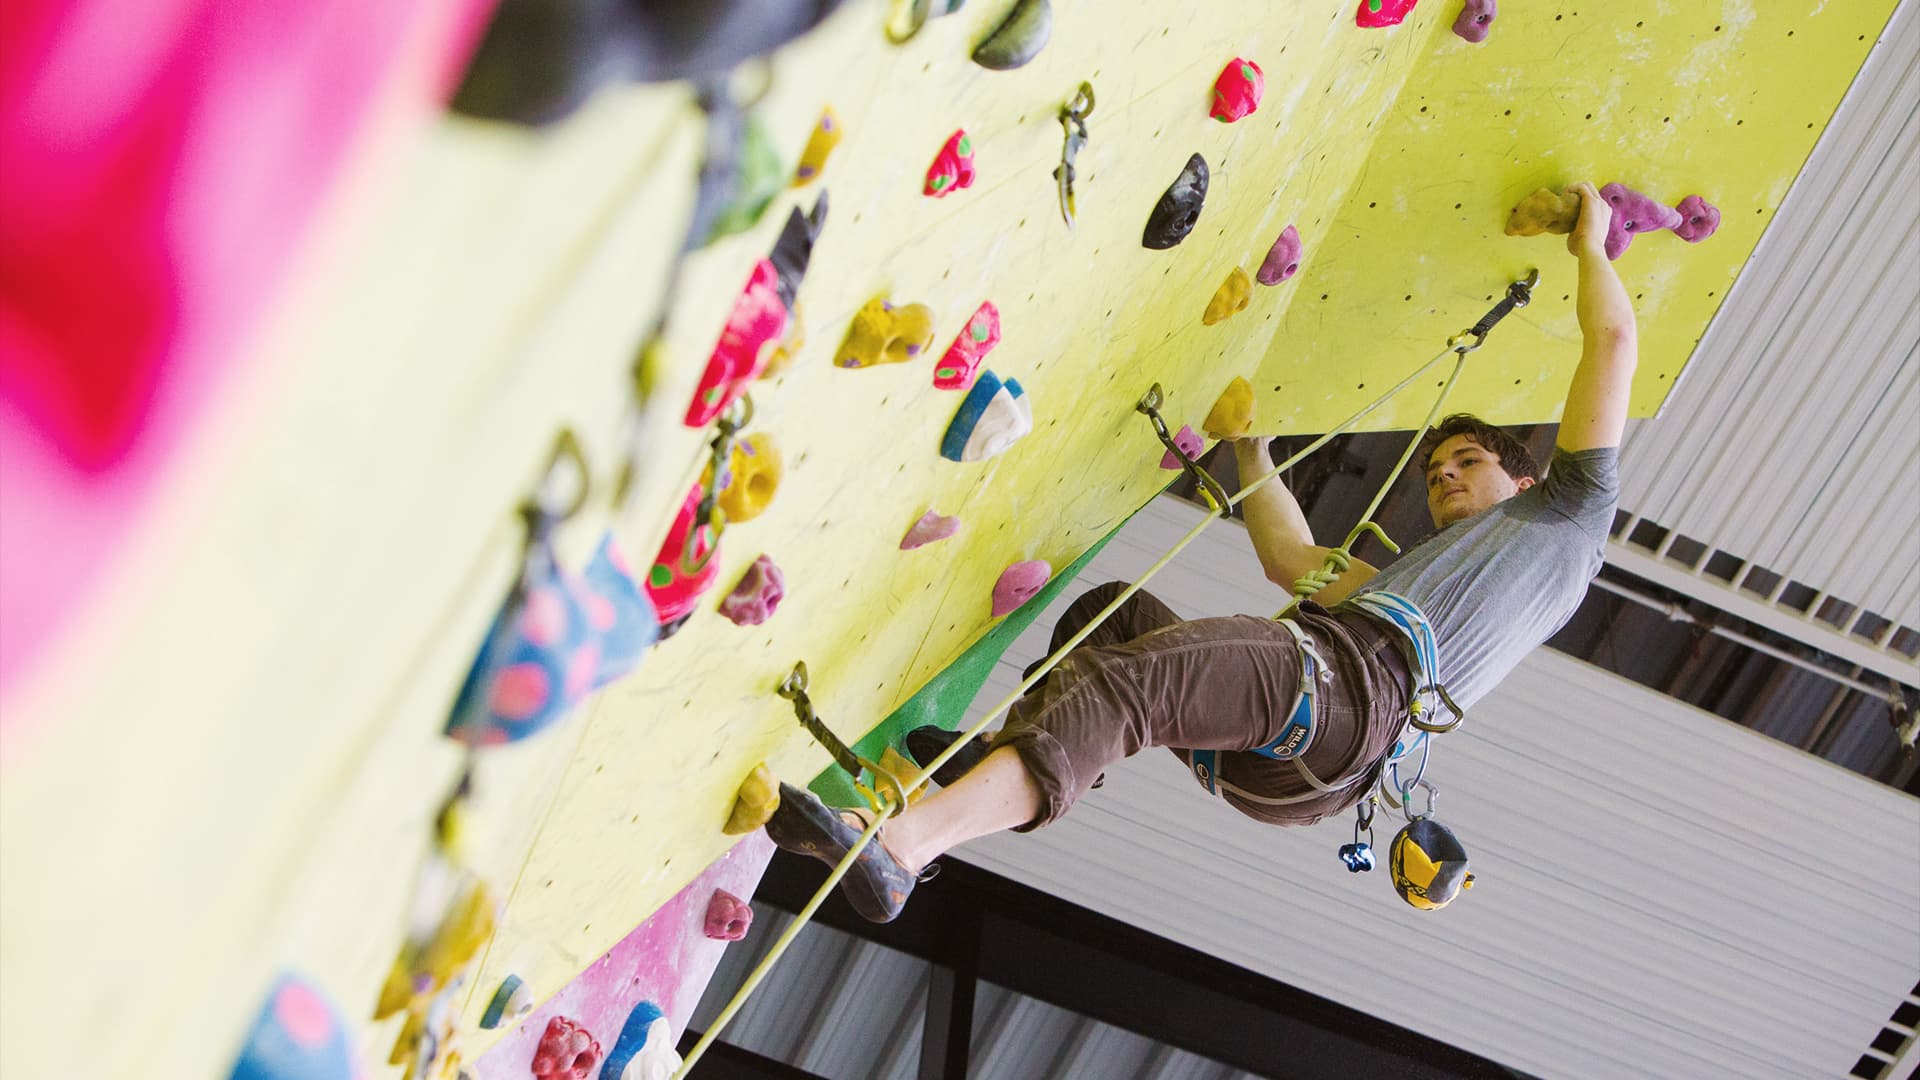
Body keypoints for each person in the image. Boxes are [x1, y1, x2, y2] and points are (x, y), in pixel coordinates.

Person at [765, 182, 1636, 922]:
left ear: (1525, 480)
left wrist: (1590, 246)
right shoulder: (1414, 591)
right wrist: (1253, 448)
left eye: (1469, 462)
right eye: (1437, 468)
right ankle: (996, 762)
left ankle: (903, 847)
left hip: (1337, 695)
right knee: (1113, 619)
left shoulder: (1571, 514)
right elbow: (1290, 557)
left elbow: (1614, 344)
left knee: (1121, 688)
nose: (1443, 474)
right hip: (1310, 767)